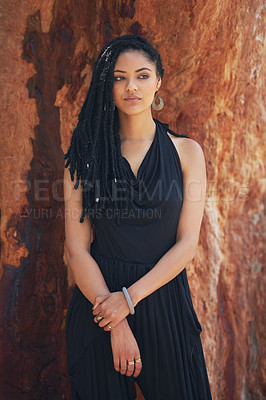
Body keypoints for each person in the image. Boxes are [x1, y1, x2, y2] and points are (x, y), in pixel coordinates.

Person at [63, 35, 212, 400]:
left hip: (164, 299)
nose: (131, 86)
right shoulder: (84, 156)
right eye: (119, 77)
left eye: (142, 75)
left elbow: (187, 244)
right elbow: (76, 251)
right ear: (107, 85)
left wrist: (129, 299)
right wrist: (114, 320)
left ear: (158, 80)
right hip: (99, 300)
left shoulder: (187, 153)